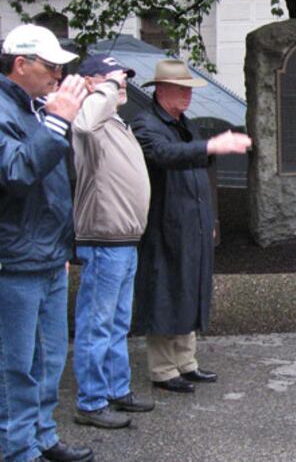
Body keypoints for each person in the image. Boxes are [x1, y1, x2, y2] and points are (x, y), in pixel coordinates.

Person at [0, 24, 93, 462]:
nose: (59, 74)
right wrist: (56, 119)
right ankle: (18, 450)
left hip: (46, 256)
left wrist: (63, 250)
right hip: (14, 261)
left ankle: (41, 436)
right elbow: (16, 173)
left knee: (50, 359)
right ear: (22, 63)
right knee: (15, 366)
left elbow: (55, 187)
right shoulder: (8, 109)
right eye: (52, 65)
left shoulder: (36, 107)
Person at [132, 59, 251, 393]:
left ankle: (186, 362)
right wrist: (211, 146)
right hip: (165, 224)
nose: (187, 96)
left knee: (189, 289)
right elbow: (164, 155)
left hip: (191, 222)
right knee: (167, 291)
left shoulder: (182, 123)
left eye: (189, 89)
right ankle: (164, 369)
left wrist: (209, 219)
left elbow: (196, 171)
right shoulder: (146, 124)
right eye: (181, 89)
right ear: (161, 90)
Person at [71, 54, 154, 429]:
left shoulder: (114, 120)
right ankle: (90, 403)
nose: (120, 84)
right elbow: (85, 125)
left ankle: (116, 389)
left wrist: (109, 85)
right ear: (90, 82)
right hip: (104, 239)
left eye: (121, 79)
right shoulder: (90, 116)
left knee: (117, 323)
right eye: (109, 78)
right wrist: (105, 86)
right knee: (96, 325)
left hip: (123, 240)